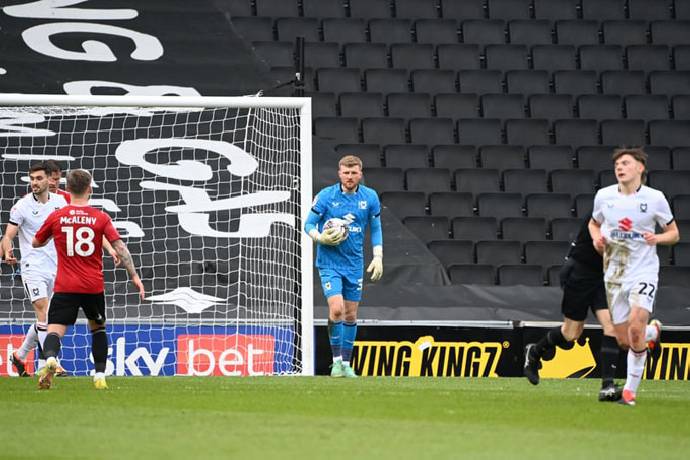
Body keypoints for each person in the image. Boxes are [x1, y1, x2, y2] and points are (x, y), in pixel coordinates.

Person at [523, 214, 659, 401]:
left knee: (612, 328)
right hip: (579, 273)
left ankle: (607, 386)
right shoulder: (607, 207)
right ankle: (535, 352)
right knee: (571, 334)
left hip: (602, 279)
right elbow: (602, 247)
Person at [32, 169, 145, 390]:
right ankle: (100, 376)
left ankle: (52, 358)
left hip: (65, 285)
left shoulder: (57, 216)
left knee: (54, 329)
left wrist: (52, 238)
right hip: (93, 286)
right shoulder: (100, 217)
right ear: (89, 189)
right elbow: (120, 247)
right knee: (98, 329)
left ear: (68, 189)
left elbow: (36, 242)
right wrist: (133, 275)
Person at [589, 147, 679, 406]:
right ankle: (653, 332)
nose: (620, 167)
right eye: (617, 163)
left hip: (643, 270)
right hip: (615, 274)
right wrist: (597, 240)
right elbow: (593, 223)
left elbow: (674, 234)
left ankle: (629, 393)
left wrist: (658, 238)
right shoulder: (604, 196)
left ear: (640, 168)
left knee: (635, 326)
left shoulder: (655, 198)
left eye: (626, 163)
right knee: (626, 340)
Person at [304, 155, 383, 378]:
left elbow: (375, 228)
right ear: (339, 173)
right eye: (346, 172)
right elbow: (308, 223)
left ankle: (346, 364)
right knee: (336, 309)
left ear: (360, 173)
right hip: (329, 262)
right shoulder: (326, 196)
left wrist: (378, 256)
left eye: (354, 172)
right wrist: (320, 238)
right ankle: (336, 361)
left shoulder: (370, 197)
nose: (350, 177)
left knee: (350, 315)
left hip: (354, 263)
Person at [2, 162, 68, 377]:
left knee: (46, 318)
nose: (34, 183)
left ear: (49, 180)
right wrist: (7, 250)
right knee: (43, 311)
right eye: (32, 179)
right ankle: (51, 363)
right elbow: (8, 235)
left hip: (56, 267)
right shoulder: (21, 206)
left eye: (39, 178)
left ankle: (20, 356)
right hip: (32, 268)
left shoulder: (60, 202)